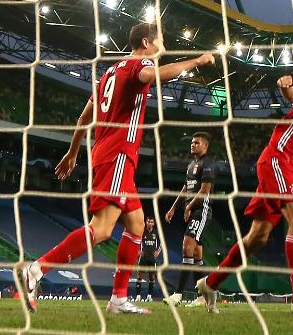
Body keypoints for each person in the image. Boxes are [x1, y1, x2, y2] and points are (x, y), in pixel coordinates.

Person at [16, 23, 215, 314]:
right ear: (147, 42)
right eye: (162, 41)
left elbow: (85, 117)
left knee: (136, 225)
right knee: (102, 229)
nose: (164, 47)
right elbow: (152, 74)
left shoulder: (111, 72)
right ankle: (36, 270)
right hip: (119, 155)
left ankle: (118, 298)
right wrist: (196, 61)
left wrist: (73, 152)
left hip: (109, 154)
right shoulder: (140, 63)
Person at [196, 67, 293, 315]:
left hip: (286, 168)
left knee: (257, 237)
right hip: (277, 159)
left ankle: (210, 283)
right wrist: (285, 86)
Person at [164, 132, 216, 307]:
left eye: (197, 142)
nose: (193, 144)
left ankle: (178, 294)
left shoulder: (208, 163)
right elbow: (186, 187)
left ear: (205, 146)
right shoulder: (191, 164)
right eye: (192, 142)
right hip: (193, 209)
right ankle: (202, 296)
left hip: (201, 211)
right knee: (196, 255)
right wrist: (173, 207)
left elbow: (205, 190)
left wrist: (189, 206)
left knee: (187, 246)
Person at [134, 217, 160, 302]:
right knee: (139, 276)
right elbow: (136, 241)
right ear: (146, 222)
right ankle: (138, 296)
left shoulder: (156, 233)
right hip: (143, 258)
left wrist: (158, 252)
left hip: (152, 259)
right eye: (148, 222)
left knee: (152, 277)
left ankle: (149, 296)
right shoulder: (142, 231)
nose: (150, 223)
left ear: (153, 223)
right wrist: (138, 250)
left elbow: (162, 242)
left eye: (151, 222)